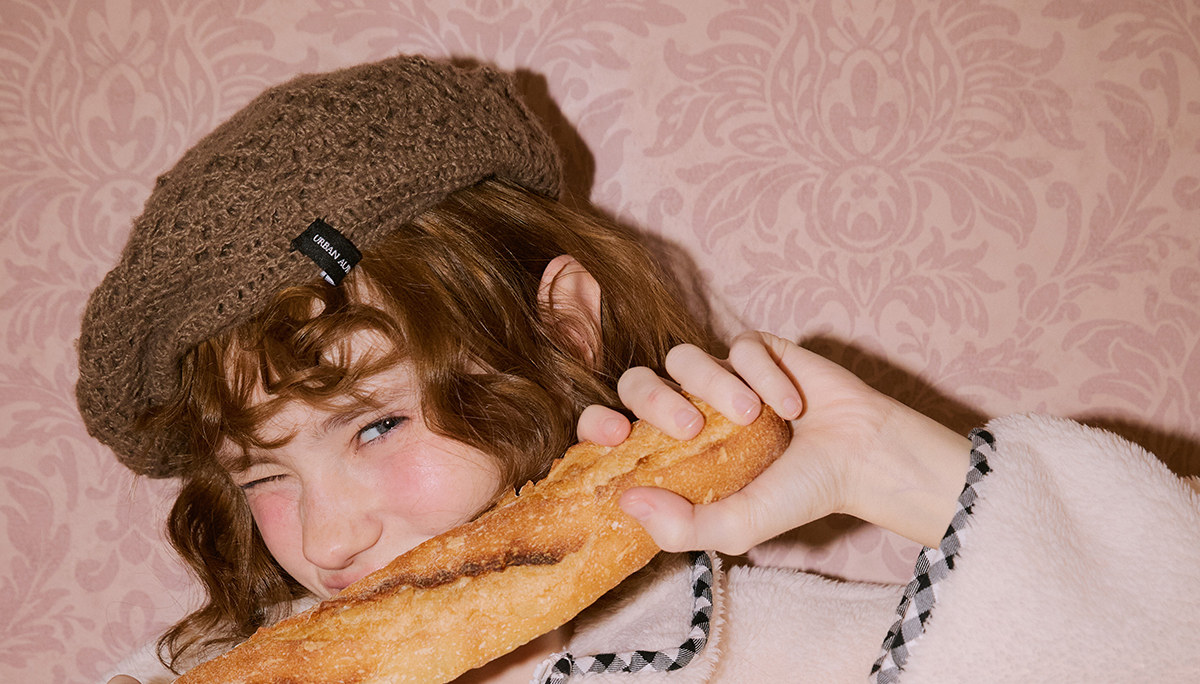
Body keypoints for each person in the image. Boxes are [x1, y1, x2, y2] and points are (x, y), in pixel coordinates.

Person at [79, 55, 1199, 684]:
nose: (325, 540)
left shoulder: (778, 661)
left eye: (376, 425)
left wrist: (901, 468)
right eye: (262, 472)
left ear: (565, 326)